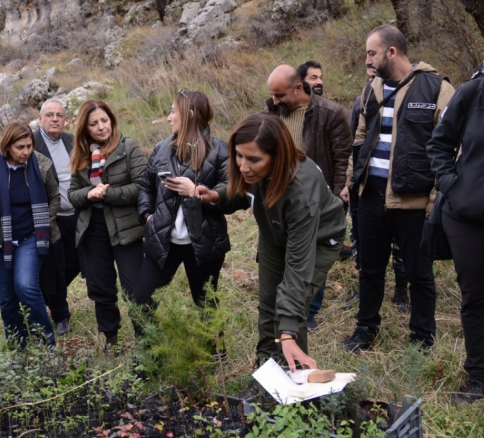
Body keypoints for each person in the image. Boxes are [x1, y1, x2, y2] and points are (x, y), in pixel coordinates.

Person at [196, 113, 345, 369]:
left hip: (318, 239)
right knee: (269, 301)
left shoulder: (301, 191)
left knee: (293, 306)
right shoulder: (254, 171)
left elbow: (297, 268)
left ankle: (293, 373)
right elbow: (244, 194)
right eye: (239, 156)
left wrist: (286, 333)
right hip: (274, 232)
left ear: (277, 156)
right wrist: (216, 196)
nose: (243, 167)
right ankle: (267, 367)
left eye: (254, 159)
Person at [341, 24, 454, 352]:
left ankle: (421, 339)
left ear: (392, 52)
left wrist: (435, 198)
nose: (367, 60)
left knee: (420, 274)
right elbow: (360, 138)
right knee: (370, 270)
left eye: (371, 53)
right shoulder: (370, 90)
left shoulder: (437, 89)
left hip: (414, 204)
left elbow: (452, 148)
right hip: (370, 199)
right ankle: (365, 331)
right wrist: (352, 182)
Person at [426, 25, 484, 435]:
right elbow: (438, 144)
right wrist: (452, 186)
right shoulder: (471, 94)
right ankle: (479, 376)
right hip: (463, 214)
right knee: (475, 296)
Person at [266, 64, 352, 332]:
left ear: (298, 88)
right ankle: (285, 307)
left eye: (280, 95)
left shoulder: (330, 113)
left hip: (318, 200)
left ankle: (308, 311)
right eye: (273, 95)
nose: (274, 100)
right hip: (282, 197)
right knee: (288, 252)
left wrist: (337, 199)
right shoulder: (273, 111)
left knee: (313, 256)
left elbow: (343, 156)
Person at [135, 90, 230, 312]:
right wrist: (148, 216)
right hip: (163, 240)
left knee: (206, 309)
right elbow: (146, 188)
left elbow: (234, 194)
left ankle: (211, 339)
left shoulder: (219, 151)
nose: (169, 118)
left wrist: (198, 192)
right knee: (141, 302)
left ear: (189, 114)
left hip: (204, 243)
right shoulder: (161, 149)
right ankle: (153, 338)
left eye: (173, 112)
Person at [0, 121, 60, 346]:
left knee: (26, 286)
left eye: (29, 146)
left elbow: (54, 198)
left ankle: (46, 345)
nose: (26, 152)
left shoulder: (42, 164)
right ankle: (19, 348)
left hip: (31, 236)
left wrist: (43, 225)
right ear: (7, 146)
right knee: (7, 299)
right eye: (20, 147)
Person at [68, 99, 147, 349]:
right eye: (94, 123)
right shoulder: (81, 154)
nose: (101, 127)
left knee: (135, 288)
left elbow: (142, 187)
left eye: (104, 120)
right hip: (93, 229)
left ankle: (147, 342)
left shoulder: (128, 147)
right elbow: (72, 194)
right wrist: (88, 194)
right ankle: (111, 342)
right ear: (85, 128)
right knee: (101, 288)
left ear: (112, 120)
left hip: (126, 229)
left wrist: (107, 194)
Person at [344, 65, 409, 314]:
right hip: (366, 187)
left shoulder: (405, 96)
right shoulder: (363, 99)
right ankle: (366, 290)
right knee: (361, 242)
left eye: (375, 64)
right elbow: (355, 140)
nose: (371, 70)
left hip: (398, 185)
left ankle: (402, 289)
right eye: (368, 65)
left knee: (401, 247)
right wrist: (350, 181)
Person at [34, 98, 80, 336]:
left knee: (77, 261)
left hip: (77, 214)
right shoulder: (31, 143)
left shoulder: (72, 140)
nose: (54, 119)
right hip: (51, 217)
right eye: (49, 115)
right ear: (40, 118)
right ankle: (61, 315)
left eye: (59, 115)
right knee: (56, 267)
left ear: (65, 119)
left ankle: (47, 296)